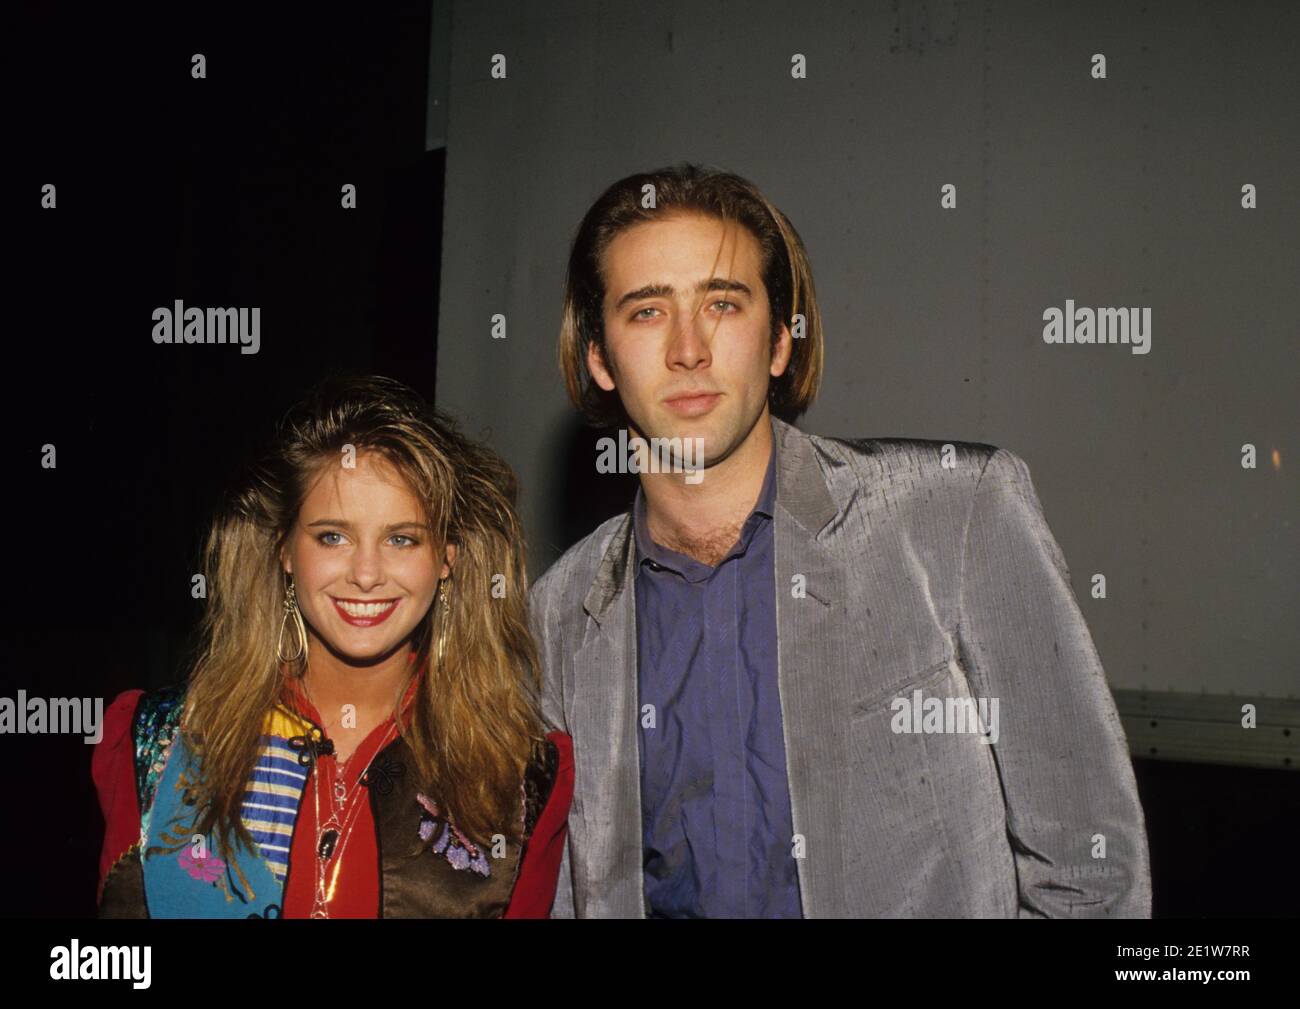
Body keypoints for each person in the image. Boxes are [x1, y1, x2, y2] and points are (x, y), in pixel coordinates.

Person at [529, 163, 1151, 917]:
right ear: (599, 357)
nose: (689, 348)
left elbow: (1091, 870)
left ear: (780, 342)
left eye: (722, 304)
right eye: (647, 311)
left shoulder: (955, 516)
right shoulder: (558, 615)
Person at [94, 374, 572, 918]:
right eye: (332, 536)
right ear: (285, 551)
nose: (366, 575)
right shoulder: (154, 742)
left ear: (447, 558)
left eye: (401, 538)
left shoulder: (520, 780)